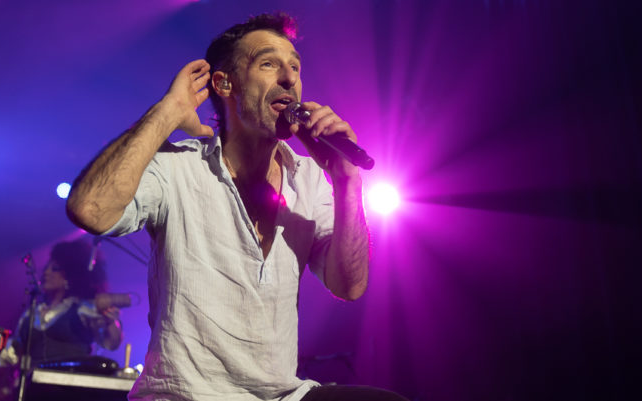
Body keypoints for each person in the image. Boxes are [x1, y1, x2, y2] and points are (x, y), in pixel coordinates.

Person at [66, 12, 406, 401]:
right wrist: (166, 112)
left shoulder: (311, 178)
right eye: (268, 64)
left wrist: (347, 182)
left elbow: (349, 285)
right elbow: (89, 209)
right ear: (224, 84)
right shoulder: (178, 166)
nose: (289, 78)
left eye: (295, 66)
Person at [0, 239, 123, 400]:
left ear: (70, 275)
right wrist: (0, 374)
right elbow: (12, 353)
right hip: (32, 390)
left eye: (55, 268)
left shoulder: (83, 309)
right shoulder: (31, 313)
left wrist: (110, 322)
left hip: (70, 390)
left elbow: (111, 343)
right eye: (46, 267)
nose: (46, 272)